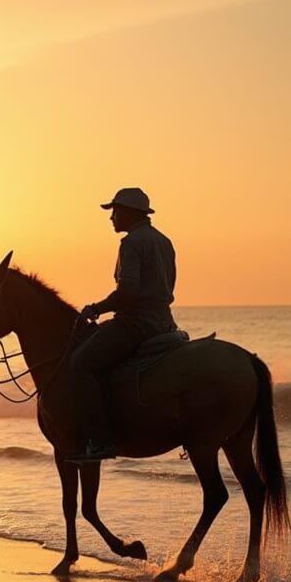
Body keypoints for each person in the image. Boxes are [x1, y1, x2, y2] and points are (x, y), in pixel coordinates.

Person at [69, 187, 178, 461]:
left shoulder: (130, 243)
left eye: (115, 212)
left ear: (129, 213)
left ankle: (101, 440)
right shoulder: (164, 241)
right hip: (163, 321)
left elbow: (129, 291)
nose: (112, 218)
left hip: (137, 323)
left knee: (80, 363)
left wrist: (96, 308)